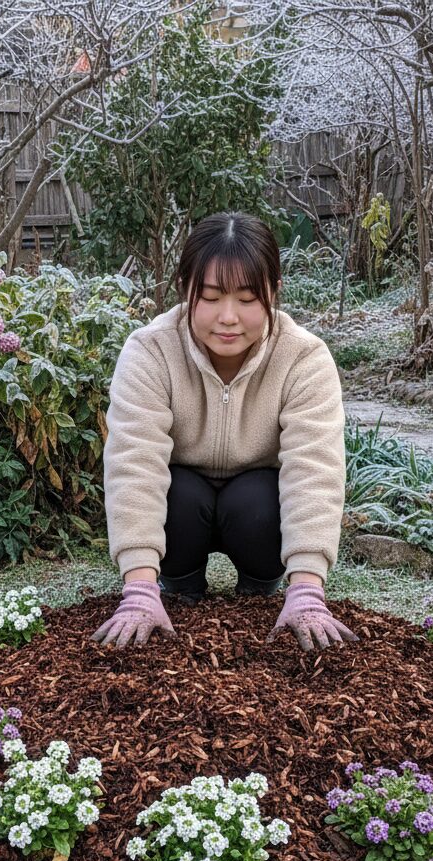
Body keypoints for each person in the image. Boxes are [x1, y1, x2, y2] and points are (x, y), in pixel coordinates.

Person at [91, 211, 357, 652]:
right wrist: (139, 584)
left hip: (257, 515)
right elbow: (134, 462)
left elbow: (315, 467)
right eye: (211, 297)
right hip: (182, 511)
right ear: (185, 289)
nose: (228, 317)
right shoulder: (150, 351)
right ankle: (177, 587)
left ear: (273, 292)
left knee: (254, 498)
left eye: (248, 298)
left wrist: (307, 586)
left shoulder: (304, 358)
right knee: (181, 493)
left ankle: (258, 592)